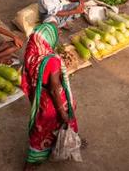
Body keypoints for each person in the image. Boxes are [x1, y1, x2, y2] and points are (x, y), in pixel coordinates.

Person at [22, 22, 78, 167]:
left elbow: (27, 78)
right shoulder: (51, 61)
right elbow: (54, 90)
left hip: (39, 98)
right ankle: (58, 145)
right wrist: (62, 112)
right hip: (52, 104)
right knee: (57, 123)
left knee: (40, 129)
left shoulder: (31, 52)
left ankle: (34, 159)